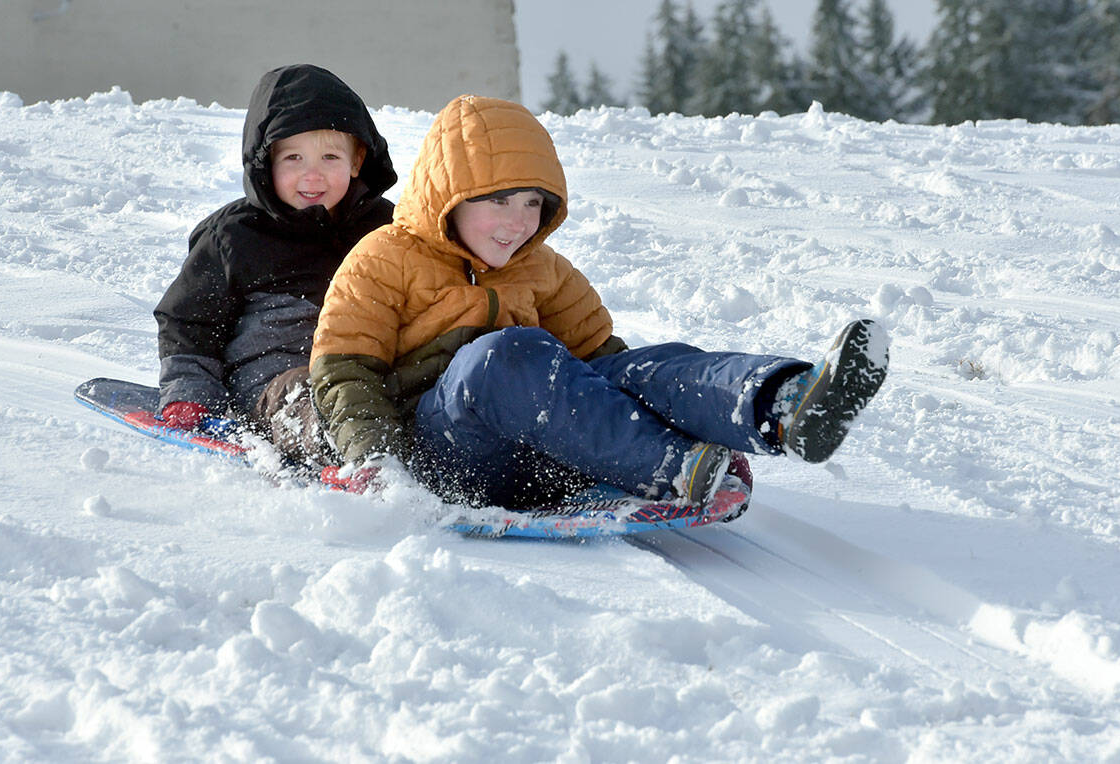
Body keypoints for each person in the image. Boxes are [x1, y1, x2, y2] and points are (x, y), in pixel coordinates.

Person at [310, 95, 888, 510]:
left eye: (533, 204)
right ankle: (674, 467)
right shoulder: (384, 258)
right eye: (500, 201)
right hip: (449, 459)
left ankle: (780, 404)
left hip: (552, 455)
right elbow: (344, 371)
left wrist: (653, 396)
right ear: (449, 197)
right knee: (501, 359)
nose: (518, 223)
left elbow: (601, 364)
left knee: (632, 366)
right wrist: (378, 463)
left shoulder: (543, 269)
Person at [153, 64, 397, 462]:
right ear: (266, 162)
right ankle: (358, 459)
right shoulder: (235, 236)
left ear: (357, 162)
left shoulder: (386, 229)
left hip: (364, 371)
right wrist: (191, 396)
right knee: (308, 393)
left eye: (330, 156)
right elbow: (189, 323)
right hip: (275, 385)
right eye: (294, 158)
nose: (312, 174)